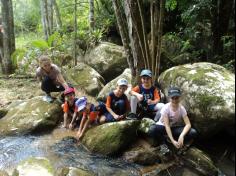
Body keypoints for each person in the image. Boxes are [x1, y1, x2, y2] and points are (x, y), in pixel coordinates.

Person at [148, 87, 197, 152]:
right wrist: (173, 141)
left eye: (176, 98)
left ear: (180, 98)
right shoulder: (166, 108)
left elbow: (188, 124)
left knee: (193, 132)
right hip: (163, 127)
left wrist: (182, 135)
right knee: (152, 129)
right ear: (169, 98)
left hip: (174, 128)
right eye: (172, 98)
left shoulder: (181, 109)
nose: (174, 100)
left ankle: (174, 138)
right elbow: (167, 126)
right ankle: (163, 142)